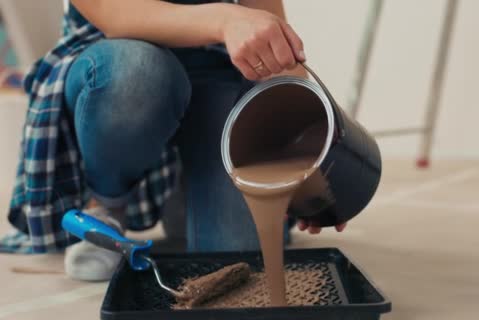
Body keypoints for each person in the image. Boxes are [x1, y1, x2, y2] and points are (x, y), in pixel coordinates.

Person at [2, 0, 345, 281]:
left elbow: (274, 42)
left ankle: (184, 188)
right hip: (116, 62)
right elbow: (115, 13)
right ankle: (106, 203)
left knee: (233, 260)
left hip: (218, 70)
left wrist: (315, 153)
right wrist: (226, 17)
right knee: (138, 73)